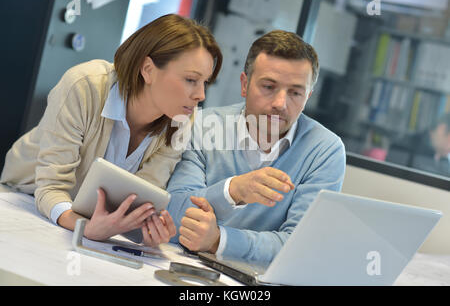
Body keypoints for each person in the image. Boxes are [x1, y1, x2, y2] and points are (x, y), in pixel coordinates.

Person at [0, 14, 222, 246]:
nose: (200, 95)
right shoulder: (85, 85)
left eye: (205, 82)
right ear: (148, 69)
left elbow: (142, 197)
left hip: (86, 221)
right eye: (190, 79)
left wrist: (146, 228)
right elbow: (51, 187)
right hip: (25, 199)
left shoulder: (182, 119)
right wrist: (84, 227)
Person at [166, 30, 346, 263]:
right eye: (269, 87)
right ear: (245, 84)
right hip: (184, 265)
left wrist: (219, 240)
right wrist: (234, 190)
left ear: (308, 96)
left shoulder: (325, 150)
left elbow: (300, 246)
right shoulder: (201, 126)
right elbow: (172, 214)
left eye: (295, 93)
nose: (280, 104)